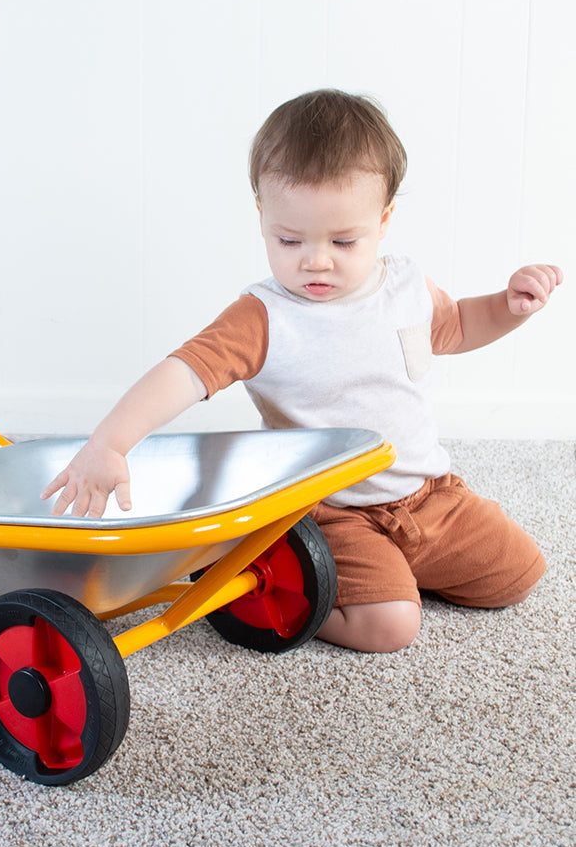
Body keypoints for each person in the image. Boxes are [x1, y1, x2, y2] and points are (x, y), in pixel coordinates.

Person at [42, 89, 563, 653]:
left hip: (427, 493)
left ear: (383, 220)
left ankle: (401, 571)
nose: (316, 259)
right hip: (331, 512)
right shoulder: (265, 316)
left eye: (344, 240)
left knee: (517, 575)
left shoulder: (406, 287)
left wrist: (509, 307)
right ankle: (285, 594)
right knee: (390, 628)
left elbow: (460, 324)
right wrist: (109, 444)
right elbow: (182, 373)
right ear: (263, 216)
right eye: (290, 240)